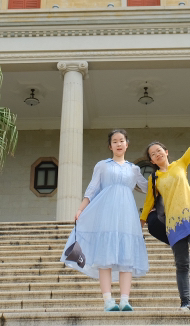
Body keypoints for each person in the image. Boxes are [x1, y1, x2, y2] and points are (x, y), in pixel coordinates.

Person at [61, 129, 149, 311]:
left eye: (121, 140)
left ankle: (125, 300)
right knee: (105, 257)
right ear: (110, 146)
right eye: (115, 141)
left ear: (127, 144)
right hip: (106, 213)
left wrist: (167, 176)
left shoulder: (134, 169)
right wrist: (80, 209)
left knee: (127, 258)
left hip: (127, 215)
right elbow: (92, 189)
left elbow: (149, 188)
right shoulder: (102, 165)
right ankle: (108, 301)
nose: (118, 144)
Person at [141, 114, 190, 313]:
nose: (157, 154)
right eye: (153, 154)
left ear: (166, 152)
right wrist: (140, 224)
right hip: (173, 224)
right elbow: (149, 203)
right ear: (151, 160)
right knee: (181, 264)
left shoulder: (181, 164)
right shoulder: (154, 179)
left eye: (159, 150)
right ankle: (185, 302)